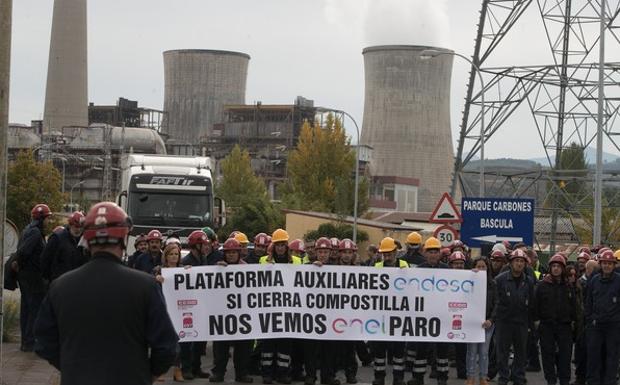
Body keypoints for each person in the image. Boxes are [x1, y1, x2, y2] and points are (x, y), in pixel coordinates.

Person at [34, 202, 178, 385]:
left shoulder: (60, 287)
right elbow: (167, 347)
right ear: (124, 237)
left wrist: (72, 367)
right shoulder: (145, 286)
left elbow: (43, 341)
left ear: (87, 237)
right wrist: (145, 375)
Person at [260, 229, 302, 384]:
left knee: (285, 345)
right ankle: (267, 374)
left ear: (287, 246)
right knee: (268, 344)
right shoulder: (264, 261)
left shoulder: (297, 261)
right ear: (273, 246)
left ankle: (283, 373)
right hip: (269, 310)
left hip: (288, 311)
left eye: (283, 244)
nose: (280, 248)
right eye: (277, 245)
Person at [209, 238, 254, 383]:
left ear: (239, 253)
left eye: (234, 252)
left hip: (242, 315)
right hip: (222, 315)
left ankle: (242, 373)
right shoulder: (216, 268)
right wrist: (216, 269)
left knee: (244, 347)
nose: (231, 255)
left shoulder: (247, 268)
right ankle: (218, 372)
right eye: (228, 253)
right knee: (220, 347)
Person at [493, 248, 536, 385]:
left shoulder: (529, 281)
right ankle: (503, 377)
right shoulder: (500, 280)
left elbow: (532, 303)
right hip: (504, 322)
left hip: (522, 322)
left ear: (525, 264)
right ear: (511, 263)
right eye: (516, 261)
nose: (519, 264)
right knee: (502, 353)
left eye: (521, 261)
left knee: (521, 352)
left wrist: (531, 323)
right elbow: (495, 300)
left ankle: (518, 377)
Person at [410, 237, 449, 385]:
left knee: (442, 350)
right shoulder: (418, 270)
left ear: (439, 254)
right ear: (425, 254)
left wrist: (475, 274)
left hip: (442, 316)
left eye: (435, 252)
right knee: (421, 349)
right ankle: (418, 378)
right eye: (430, 252)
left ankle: (442, 377)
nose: (433, 254)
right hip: (424, 317)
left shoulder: (447, 270)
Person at [15, 203, 52, 351]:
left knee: (26, 309)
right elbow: (24, 252)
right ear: (41, 218)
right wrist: (26, 267)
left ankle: (26, 341)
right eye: (47, 218)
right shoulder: (36, 233)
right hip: (32, 277)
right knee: (33, 309)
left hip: (26, 276)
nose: (48, 221)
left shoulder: (28, 230)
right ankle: (29, 342)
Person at [535, 254, 576, 385]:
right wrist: (537, 324)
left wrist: (574, 324)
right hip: (547, 327)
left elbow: (574, 307)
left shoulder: (569, 286)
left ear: (563, 268)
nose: (556, 269)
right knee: (547, 357)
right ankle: (551, 381)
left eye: (558, 266)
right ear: (550, 268)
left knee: (565, 358)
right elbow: (535, 306)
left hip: (564, 327)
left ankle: (564, 381)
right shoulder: (542, 286)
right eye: (553, 266)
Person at [303, 237, 339, 385]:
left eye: (325, 251)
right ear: (316, 252)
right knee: (311, 349)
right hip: (311, 316)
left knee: (329, 349)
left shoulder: (338, 269)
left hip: (330, 317)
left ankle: (328, 376)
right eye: (320, 251)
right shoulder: (306, 267)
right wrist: (312, 268)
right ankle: (310, 376)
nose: (323, 254)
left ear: (330, 252)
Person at [373, 237, 408, 385]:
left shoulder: (404, 266)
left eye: (389, 253)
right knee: (380, 349)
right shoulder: (377, 266)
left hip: (399, 314)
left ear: (395, 252)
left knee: (399, 349)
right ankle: (379, 377)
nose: (387, 257)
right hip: (381, 314)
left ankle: (398, 377)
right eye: (384, 254)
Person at [585, 249, 620, 385]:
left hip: (614, 326)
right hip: (596, 325)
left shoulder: (618, 281)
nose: (607, 266)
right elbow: (588, 302)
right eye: (604, 263)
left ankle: (609, 382)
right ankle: (593, 381)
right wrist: (590, 319)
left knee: (612, 357)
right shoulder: (594, 281)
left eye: (609, 263)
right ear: (601, 264)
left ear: (613, 265)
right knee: (593, 356)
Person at [179, 230, 211, 380]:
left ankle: (196, 367)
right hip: (189, 307)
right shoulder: (186, 262)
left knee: (199, 340)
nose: (206, 247)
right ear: (196, 245)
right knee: (187, 340)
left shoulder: (204, 259)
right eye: (203, 244)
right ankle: (186, 368)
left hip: (200, 306)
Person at [153, 244, 185, 382]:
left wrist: (190, 272)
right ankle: (160, 372)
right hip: (162, 309)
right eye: (171, 254)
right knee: (161, 343)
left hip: (178, 311)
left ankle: (177, 369)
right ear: (165, 256)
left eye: (176, 254)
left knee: (178, 342)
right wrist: (156, 279)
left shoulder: (182, 270)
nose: (174, 257)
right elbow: (148, 284)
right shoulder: (158, 270)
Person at [466, 257, 495, 385]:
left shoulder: (493, 284)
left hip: (488, 323)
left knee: (484, 352)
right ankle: (470, 378)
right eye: (478, 266)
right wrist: (469, 276)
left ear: (488, 268)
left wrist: (491, 319)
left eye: (484, 267)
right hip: (472, 323)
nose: (481, 269)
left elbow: (497, 304)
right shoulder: (468, 283)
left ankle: (483, 378)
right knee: (471, 351)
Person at [40, 211, 88, 282]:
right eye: (76, 227)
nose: (79, 230)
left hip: (76, 282)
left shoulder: (83, 240)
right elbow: (45, 259)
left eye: (81, 227)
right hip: (59, 281)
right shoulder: (57, 238)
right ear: (70, 225)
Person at [448, 251, 468, 380]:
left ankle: (462, 371)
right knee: (442, 346)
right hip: (446, 316)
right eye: (456, 264)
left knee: (462, 347)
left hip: (462, 316)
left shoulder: (470, 277)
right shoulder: (444, 277)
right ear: (451, 265)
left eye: (461, 263)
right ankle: (437, 370)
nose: (459, 266)